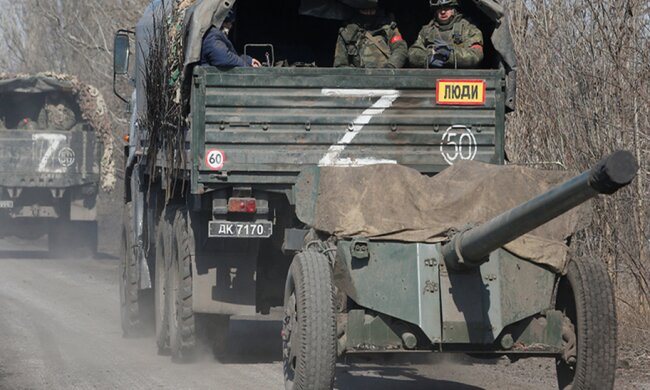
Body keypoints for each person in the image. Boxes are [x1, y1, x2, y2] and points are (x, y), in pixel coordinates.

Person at [408, 0, 483, 69]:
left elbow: (476, 55)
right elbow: (413, 53)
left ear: (454, 9)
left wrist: (450, 55)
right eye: (439, 8)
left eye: (447, 8)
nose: (443, 12)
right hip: (431, 76)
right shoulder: (427, 31)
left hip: (461, 77)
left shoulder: (468, 29)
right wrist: (429, 58)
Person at [333, 0, 407, 69]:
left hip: (385, 77)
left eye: (372, 10)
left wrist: (390, 68)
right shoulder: (347, 33)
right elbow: (340, 64)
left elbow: (400, 48)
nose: (369, 13)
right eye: (365, 10)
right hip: (359, 79)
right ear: (358, 11)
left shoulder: (388, 28)